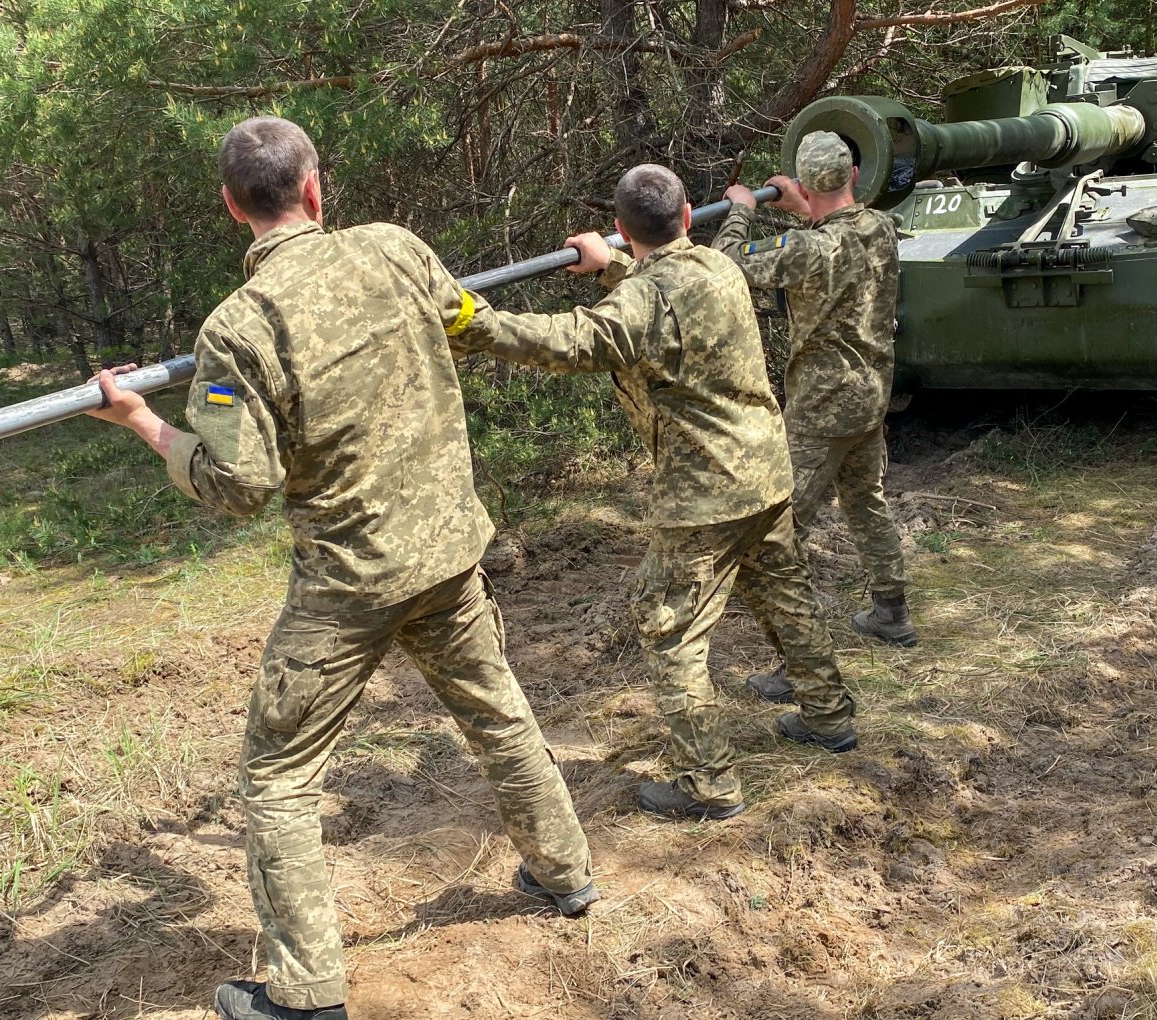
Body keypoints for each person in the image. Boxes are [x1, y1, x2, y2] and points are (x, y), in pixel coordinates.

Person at [86, 116, 596, 1020]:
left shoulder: (238, 328)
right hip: (446, 554)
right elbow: (464, 320)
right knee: (499, 715)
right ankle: (566, 874)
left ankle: (307, 993)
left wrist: (140, 421)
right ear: (314, 187)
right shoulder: (398, 250)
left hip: (349, 585)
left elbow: (240, 484)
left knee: (277, 777)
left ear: (231, 206)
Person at [446, 163, 858, 823]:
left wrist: (472, 319)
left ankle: (708, 783)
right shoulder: (720, 267)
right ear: (689, 217)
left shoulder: (648, 296)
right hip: (764, 472)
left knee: (670, 631)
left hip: (705, 496)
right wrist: (610, 263)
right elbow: (661, 294)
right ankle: (829, 714)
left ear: (623, 227)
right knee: (784, 594)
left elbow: (575, 341)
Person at [713, 130, 918, 705]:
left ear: (806, 184)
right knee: (865, 501)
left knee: (777, 533)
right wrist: (802, 206)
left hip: (821, 408)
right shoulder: (880, 227)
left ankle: (796, 663)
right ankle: (891, 612)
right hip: (872, 394)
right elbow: (836, 231)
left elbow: (730, 266)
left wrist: (742, 210)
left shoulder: (803, 251)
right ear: (854, 175)